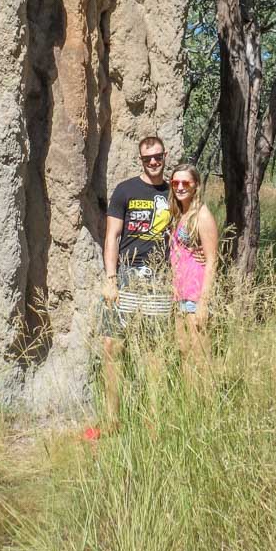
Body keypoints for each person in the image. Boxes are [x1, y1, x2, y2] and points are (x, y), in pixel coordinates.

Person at [99, 134, 173, 428]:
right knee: (112, 345)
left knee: (154, 352)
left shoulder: (174, 192)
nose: (153, 162)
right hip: (127, 275)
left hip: (159, 279)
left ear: (164, 156)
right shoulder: (125, 191)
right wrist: (110, 278)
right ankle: (112, 418)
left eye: (157, 157)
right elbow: (112, 237)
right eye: (147, 158)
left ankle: (153, 420)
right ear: (140, 160)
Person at [168, 163, 218, 375]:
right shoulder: (181, 213)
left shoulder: (202, 215)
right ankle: (191, 403)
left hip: (195, 297)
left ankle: (207, 405)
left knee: (201, 358)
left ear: (195, 185)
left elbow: (212, 260)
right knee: (185, 353)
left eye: (185, 182)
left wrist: (203, 303)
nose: (180, 187)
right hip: (180, 294)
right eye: (175, 182)